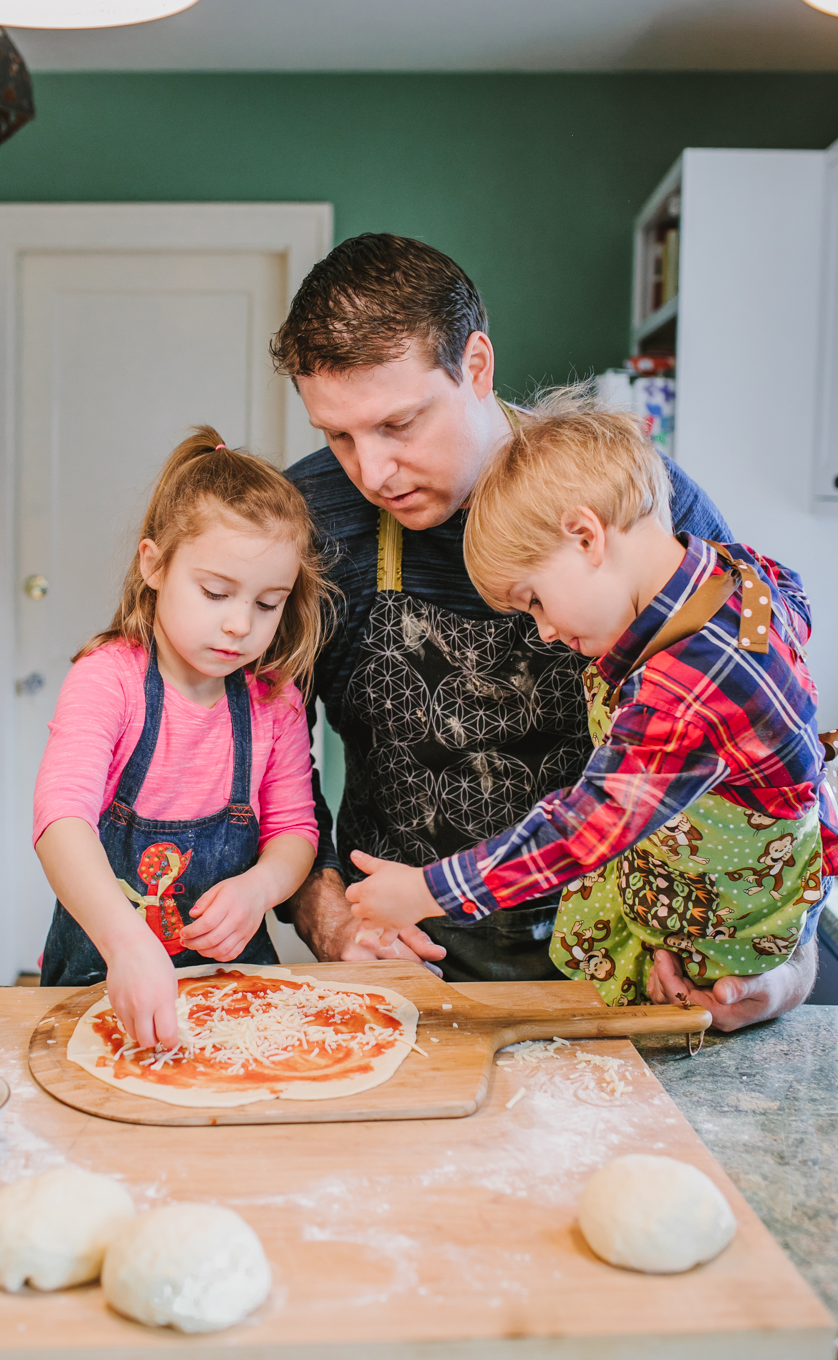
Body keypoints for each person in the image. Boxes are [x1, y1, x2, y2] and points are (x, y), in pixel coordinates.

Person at [274, 232, 825, 1027]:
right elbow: (253, 753)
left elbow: (776, 745)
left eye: (400, 425)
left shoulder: (639, 502)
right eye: (339, 435)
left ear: (476, 366)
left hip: (636, 963)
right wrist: (323, 907)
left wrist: (776, 968)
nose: (372, 473)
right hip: (412, 967)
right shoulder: (311, 519)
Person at [345, 402, 837, 1016]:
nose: (544, 631)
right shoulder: (737, 577)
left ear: (587, 536)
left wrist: (426, 890)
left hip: (725, 937)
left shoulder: (689, 687)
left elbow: (580, 829)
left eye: (535, 600)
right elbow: (793, 594)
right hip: (675, 880)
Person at [34, 427, 330, 1050]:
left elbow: (296, 834)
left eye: (269, 603)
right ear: (154, 564)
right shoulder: (108, 681)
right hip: (102, 974)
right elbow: (60, 820)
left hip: (235, 981)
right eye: (216, 592)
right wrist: (125, 942)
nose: (240, 624)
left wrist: (259, 889)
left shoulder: (273, 701)